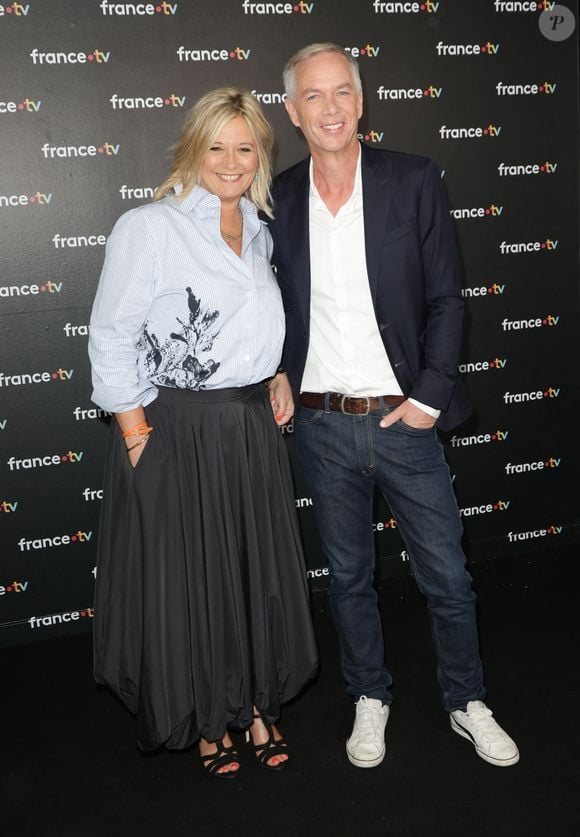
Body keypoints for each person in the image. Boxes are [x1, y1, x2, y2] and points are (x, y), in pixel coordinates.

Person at [268, 44, 519, 769]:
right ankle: (369, 695)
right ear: (293, 111)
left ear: (362, 97)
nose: (330, 108)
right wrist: (278, 374)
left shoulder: (412, 180)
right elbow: (266, 303)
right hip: (320, 425)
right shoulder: (277, 196)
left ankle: (467, 700)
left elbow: (447, 296)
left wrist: (427, 399)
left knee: (446, 573)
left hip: (404, 420)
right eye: (313, 97)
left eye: (342, 91)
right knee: (347, 578)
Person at [88, 87, 318, 779]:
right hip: (178, 431)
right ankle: (204, 712)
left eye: (245, 146)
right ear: (193, 148)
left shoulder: (259, 227)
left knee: (250, 576)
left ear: (261, 155)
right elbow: (111, 335)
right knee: (192, 581)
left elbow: (251, 323)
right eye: (216, 144)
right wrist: (137, 438)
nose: (230, 159)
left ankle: (253, 702)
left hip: (248, 429)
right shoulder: (150, 226)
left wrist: (277, 371)